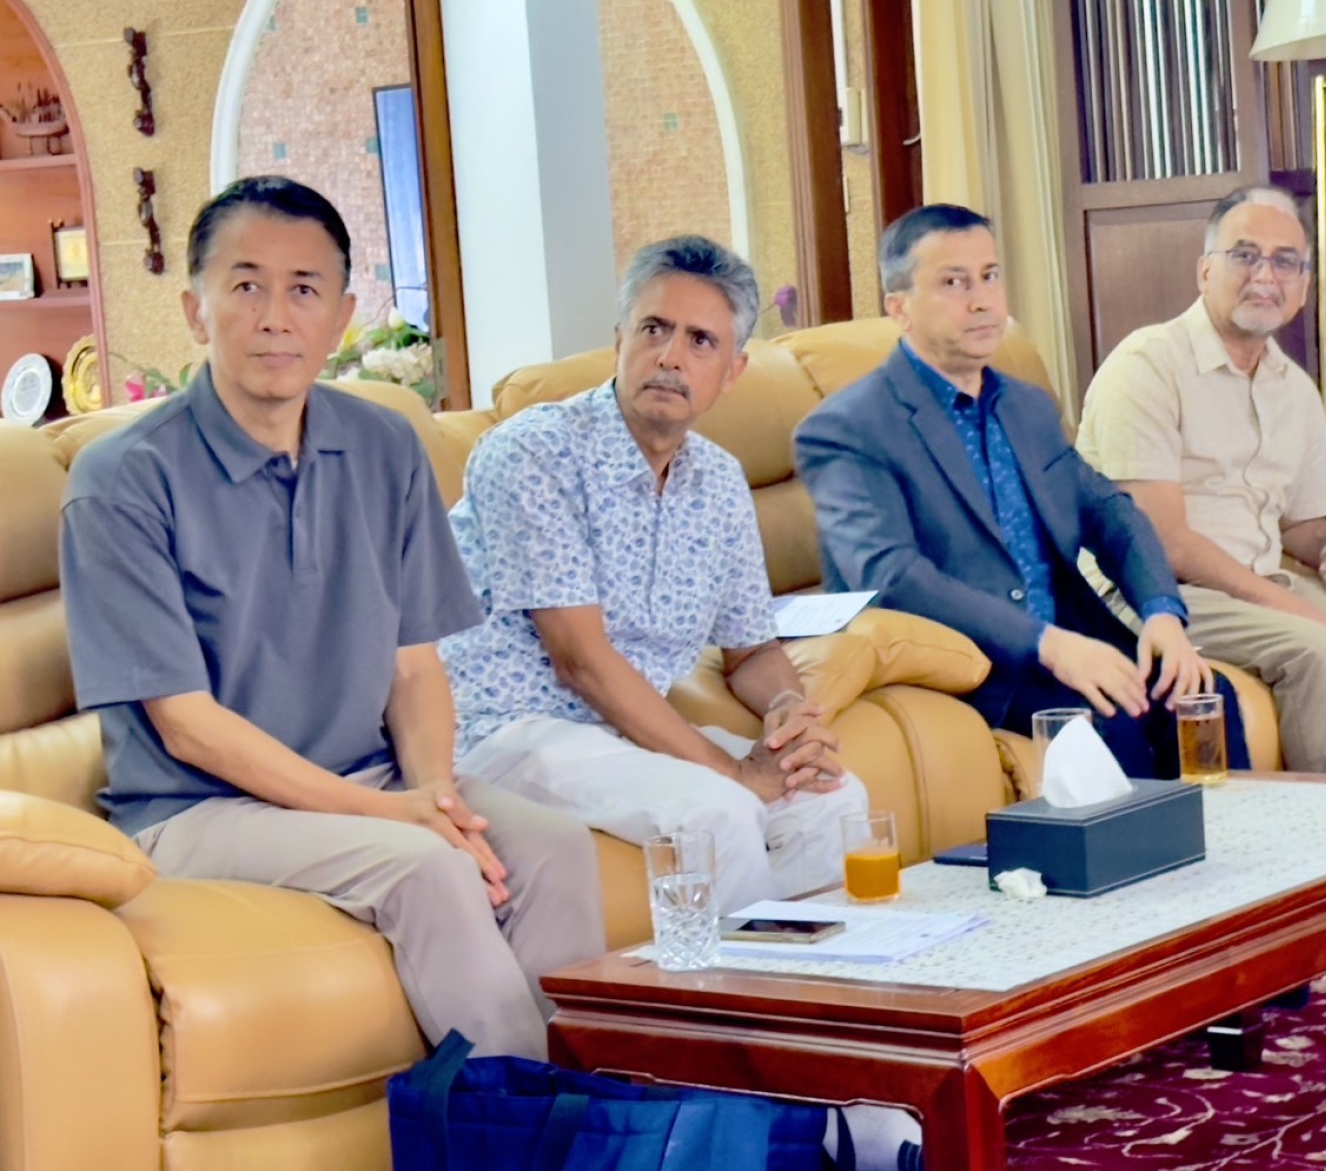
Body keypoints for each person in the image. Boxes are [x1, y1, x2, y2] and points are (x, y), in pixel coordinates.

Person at [60, 176, 604, 1061]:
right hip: (196, 809)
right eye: (246, 285)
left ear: (343, 316)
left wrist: (435, 797)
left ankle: (562, 1109)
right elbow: (187, 726)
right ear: (196, 310)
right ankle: (543, 1121)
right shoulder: (122, 480)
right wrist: (392, 818)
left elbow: (414, 667)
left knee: (553, 847)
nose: (276, 316)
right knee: (427, 869)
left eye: (304, 289)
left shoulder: (386, 445)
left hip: (370, 775)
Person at [440, 235, 868, 917]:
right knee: (719, 811)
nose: (671, 356)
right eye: (653, 329)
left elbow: (752, 650)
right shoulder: (534, 452)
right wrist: (733, 771)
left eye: (701, 341)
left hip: (620, 735)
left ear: (732, 371)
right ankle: (744, 987)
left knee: (832, 795)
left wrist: (789, 712)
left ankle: (822, 979)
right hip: (505, 730)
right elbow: (581, 662)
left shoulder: (719, 481)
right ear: (619, 340)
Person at [794, 203, 1249, 781]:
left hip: (1073, 641)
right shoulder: (846, 429)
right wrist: (1047, 644)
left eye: (989, 276)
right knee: (1112, 726)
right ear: (900, 308)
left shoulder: (1025, 406)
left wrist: (1161, 614)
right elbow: (892, 576)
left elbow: (1109, 512)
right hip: (973, 666)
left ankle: (1245, 843)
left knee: (1206, 697)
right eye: (954, 283)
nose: (982, 300)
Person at [1077, 185, 1326, 782]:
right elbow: (1163, 545)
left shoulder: (1293, 388)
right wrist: (1306, 614)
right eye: (1245, 255)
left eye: (1285, 261)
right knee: (1315, 647)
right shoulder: (1146, 366)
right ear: (1205, 270)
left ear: (1303, 286)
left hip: (1256, 582)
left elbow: (1301, 522)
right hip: (1159, 594)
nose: (1265, 276)